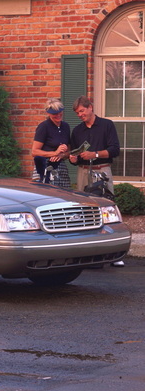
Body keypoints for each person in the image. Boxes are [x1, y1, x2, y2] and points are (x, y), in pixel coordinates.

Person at [69, 95, 123, 267]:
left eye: (82, 111)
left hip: (102, 170)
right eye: (78, 113)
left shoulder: (107, 125)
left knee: (106, 210)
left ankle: (114, 254)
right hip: (83, 172)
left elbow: (115, 149)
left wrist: (96, 154)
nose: (80, 115)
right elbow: (73, 154)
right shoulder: (77, 131)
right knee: (85, 211)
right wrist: (73, 158)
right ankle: (87, 254)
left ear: (90, 107)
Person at [32, 98, 71, 187]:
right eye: (54, 113)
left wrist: (62, 154)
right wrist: (55, 153)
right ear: (48, 113)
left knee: (64, 196)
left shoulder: (66, 126)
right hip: (44, 167)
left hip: (61, 168)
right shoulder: (43, 127)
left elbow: (69, 151)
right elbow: (34, 151)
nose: (58, 115)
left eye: (59, 112)